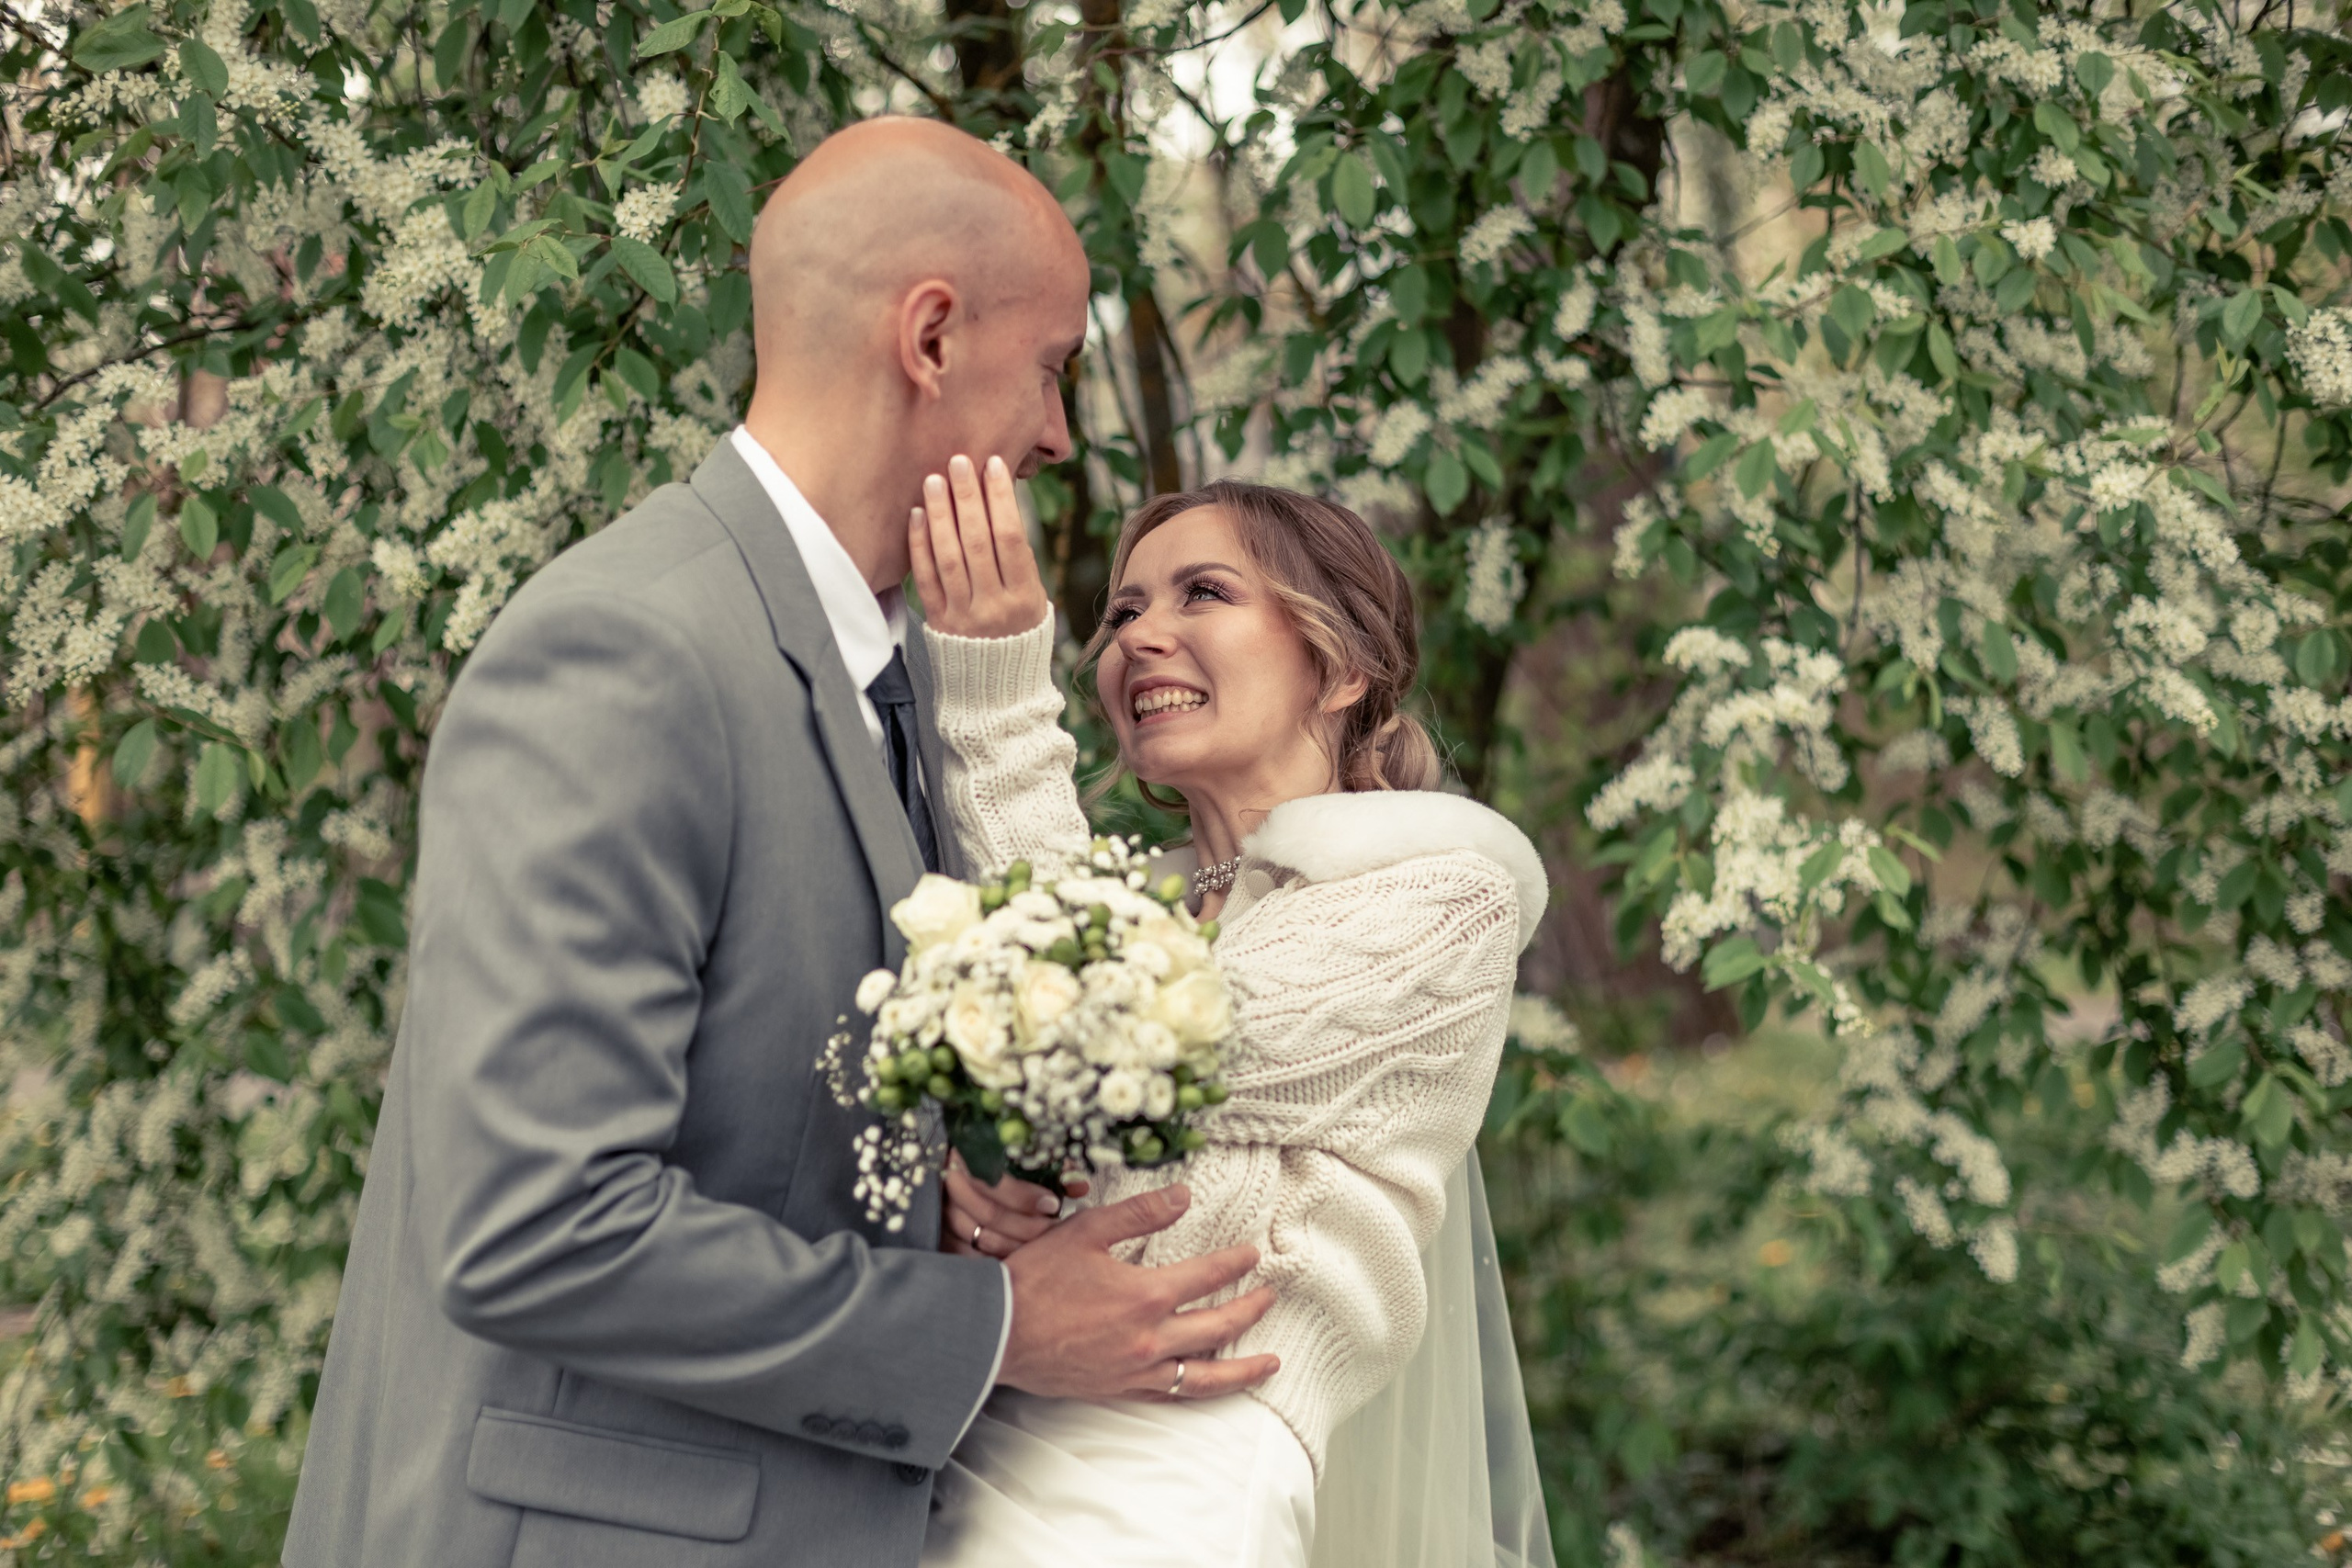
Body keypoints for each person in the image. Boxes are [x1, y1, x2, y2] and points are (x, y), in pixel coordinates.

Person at [281, 118, 1279, 1568]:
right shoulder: (625, 651)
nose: (1060, 435)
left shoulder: (909, 671)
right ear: (931, 335)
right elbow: (536, 1221)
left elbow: (780, 1110)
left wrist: (944, 1186)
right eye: (1055, 363)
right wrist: (994, 1328)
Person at [908, 462, 1557, 1566]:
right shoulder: (1125, 902)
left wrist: (997, 699)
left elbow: (1126, 1051)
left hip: (1167, 1484)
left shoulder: (1442, 892)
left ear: (1340, 664)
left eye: (1201, 594)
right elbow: (1061, 1089)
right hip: (962, 1445)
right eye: (1122, 610)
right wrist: (964, 1200)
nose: (1138, 638)